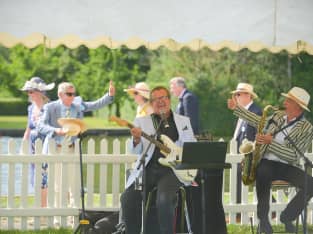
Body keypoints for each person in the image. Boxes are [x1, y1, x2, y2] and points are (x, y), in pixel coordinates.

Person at [227, 86, 313, 234]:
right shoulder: (278, 116)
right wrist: (237, 109)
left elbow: (293, 156)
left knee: (311, 184)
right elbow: (258, 120)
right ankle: (264, 220)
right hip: (266, 161)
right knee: (263, 172)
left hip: (286, 165)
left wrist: (270, 142)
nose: (284, 102)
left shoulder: (307, 128)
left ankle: (287, 216)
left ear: (297, 106)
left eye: (288, 100)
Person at [120, 86, 196, 234]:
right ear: (151, 103)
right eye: (155, 99)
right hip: (148, 170)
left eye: (163, 98)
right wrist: (136, 139)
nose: (160, 102)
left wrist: (180, 155)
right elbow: (135, 150)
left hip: (172, 170)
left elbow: (191, 146)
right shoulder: (142, 121)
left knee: (164, 200)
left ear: (169, 99)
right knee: (127, 199)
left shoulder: (183, 121)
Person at [37, 81, 115, 209]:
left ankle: (74, 214)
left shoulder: (77, 104)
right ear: (60, 94)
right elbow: (40, 125)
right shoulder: (50, 107)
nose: (72, 96)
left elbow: (94, 105)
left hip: (72, 148)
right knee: (57, 184)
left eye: (74, 94)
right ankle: (58, 214)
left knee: (74, 184)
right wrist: (56, 130)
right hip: (55, 148)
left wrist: (109, 95)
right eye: (69, 94)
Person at [20, 77, 55, 207]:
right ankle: (40, 206)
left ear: (40, 92)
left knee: (44, 176)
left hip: (46, 143)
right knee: (36, 175)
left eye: (31, 91)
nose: (29, 94)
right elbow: (28, 128)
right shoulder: (30, 108)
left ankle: (43, 206)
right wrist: (24, 144)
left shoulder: (49, 107)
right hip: (33, 144)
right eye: (28, 91)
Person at [230, 83, 262, 206]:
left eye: (238, 94)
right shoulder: (243, 111)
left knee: (254, 181)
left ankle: (238, 209)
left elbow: (258, 135)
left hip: (250, 156)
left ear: (248, 96)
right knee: (238, 179)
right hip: (240, 154)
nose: (235, 97)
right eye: (235, 95)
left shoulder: (255, 112)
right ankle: (238, 208)